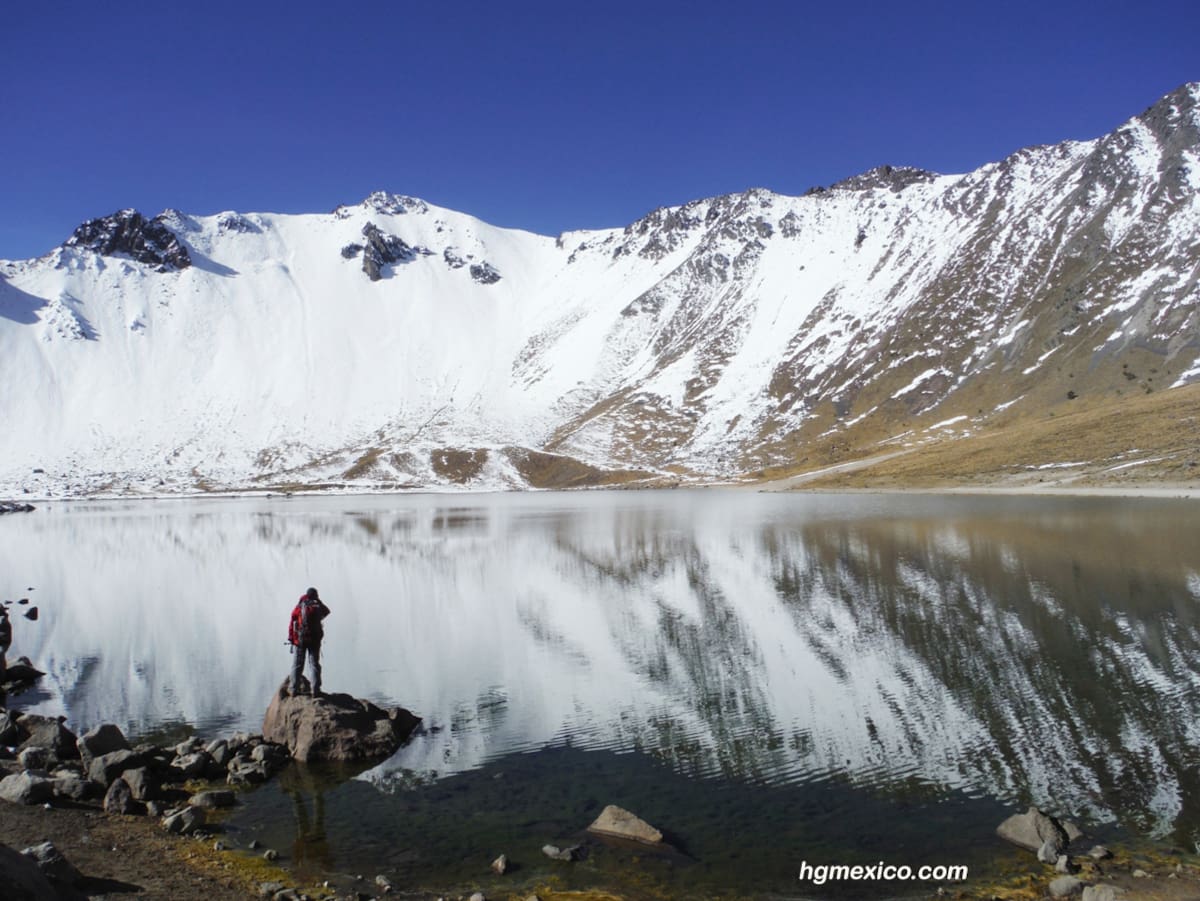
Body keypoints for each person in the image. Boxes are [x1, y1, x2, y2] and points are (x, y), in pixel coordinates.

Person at [288, 587, 331, 697]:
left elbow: (292, 619)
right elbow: (327, 611)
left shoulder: (300, 606)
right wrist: (319, 601)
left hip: (300, 640)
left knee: (297, 664)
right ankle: (315, 690)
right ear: (316, 595)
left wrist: (291, 638)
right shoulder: (318, 606)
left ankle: (293, 689)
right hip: (315, 640)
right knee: (314, 664)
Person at [0, 605, 11, 683]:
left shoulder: (3, 620)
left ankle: (2, 679)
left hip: (4, 643)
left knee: (0, 654)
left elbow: (4, 636)